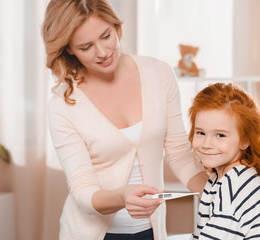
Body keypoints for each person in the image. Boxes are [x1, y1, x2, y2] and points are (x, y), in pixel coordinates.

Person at [42, 0, 208, 239]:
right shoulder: (63, 104)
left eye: (106, 35)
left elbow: (179, 152)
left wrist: (216, 192)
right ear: (68, 49)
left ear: (115, 25)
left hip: (150, 231)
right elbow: (82, 189)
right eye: (86, 47)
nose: (102, 52)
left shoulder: (159, 73)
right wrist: (122, 196)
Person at [188, 83, 260, 239]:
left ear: (245, 140)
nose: (206, 144)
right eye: (200, 133)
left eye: (220, 135)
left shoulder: (234, 185)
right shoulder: (223, 179)